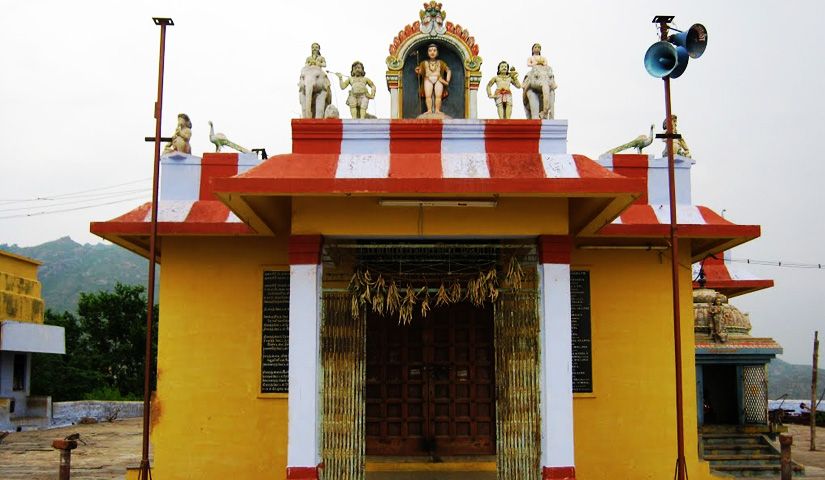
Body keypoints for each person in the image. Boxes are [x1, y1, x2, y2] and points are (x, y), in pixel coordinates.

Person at [414, 44, 451, 115]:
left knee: (438, 96)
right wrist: (417, 71)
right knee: (428, 96)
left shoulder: (441, 62)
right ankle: (429, 110)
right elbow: (421, 72)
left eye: (434, 50)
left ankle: (437, 110)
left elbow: (448, 70)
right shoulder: (424, 63)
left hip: (438, 79)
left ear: (437, 52)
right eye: (430, 50)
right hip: (428, 79)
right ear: (427, 53)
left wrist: (447, 80)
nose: (432, 52)